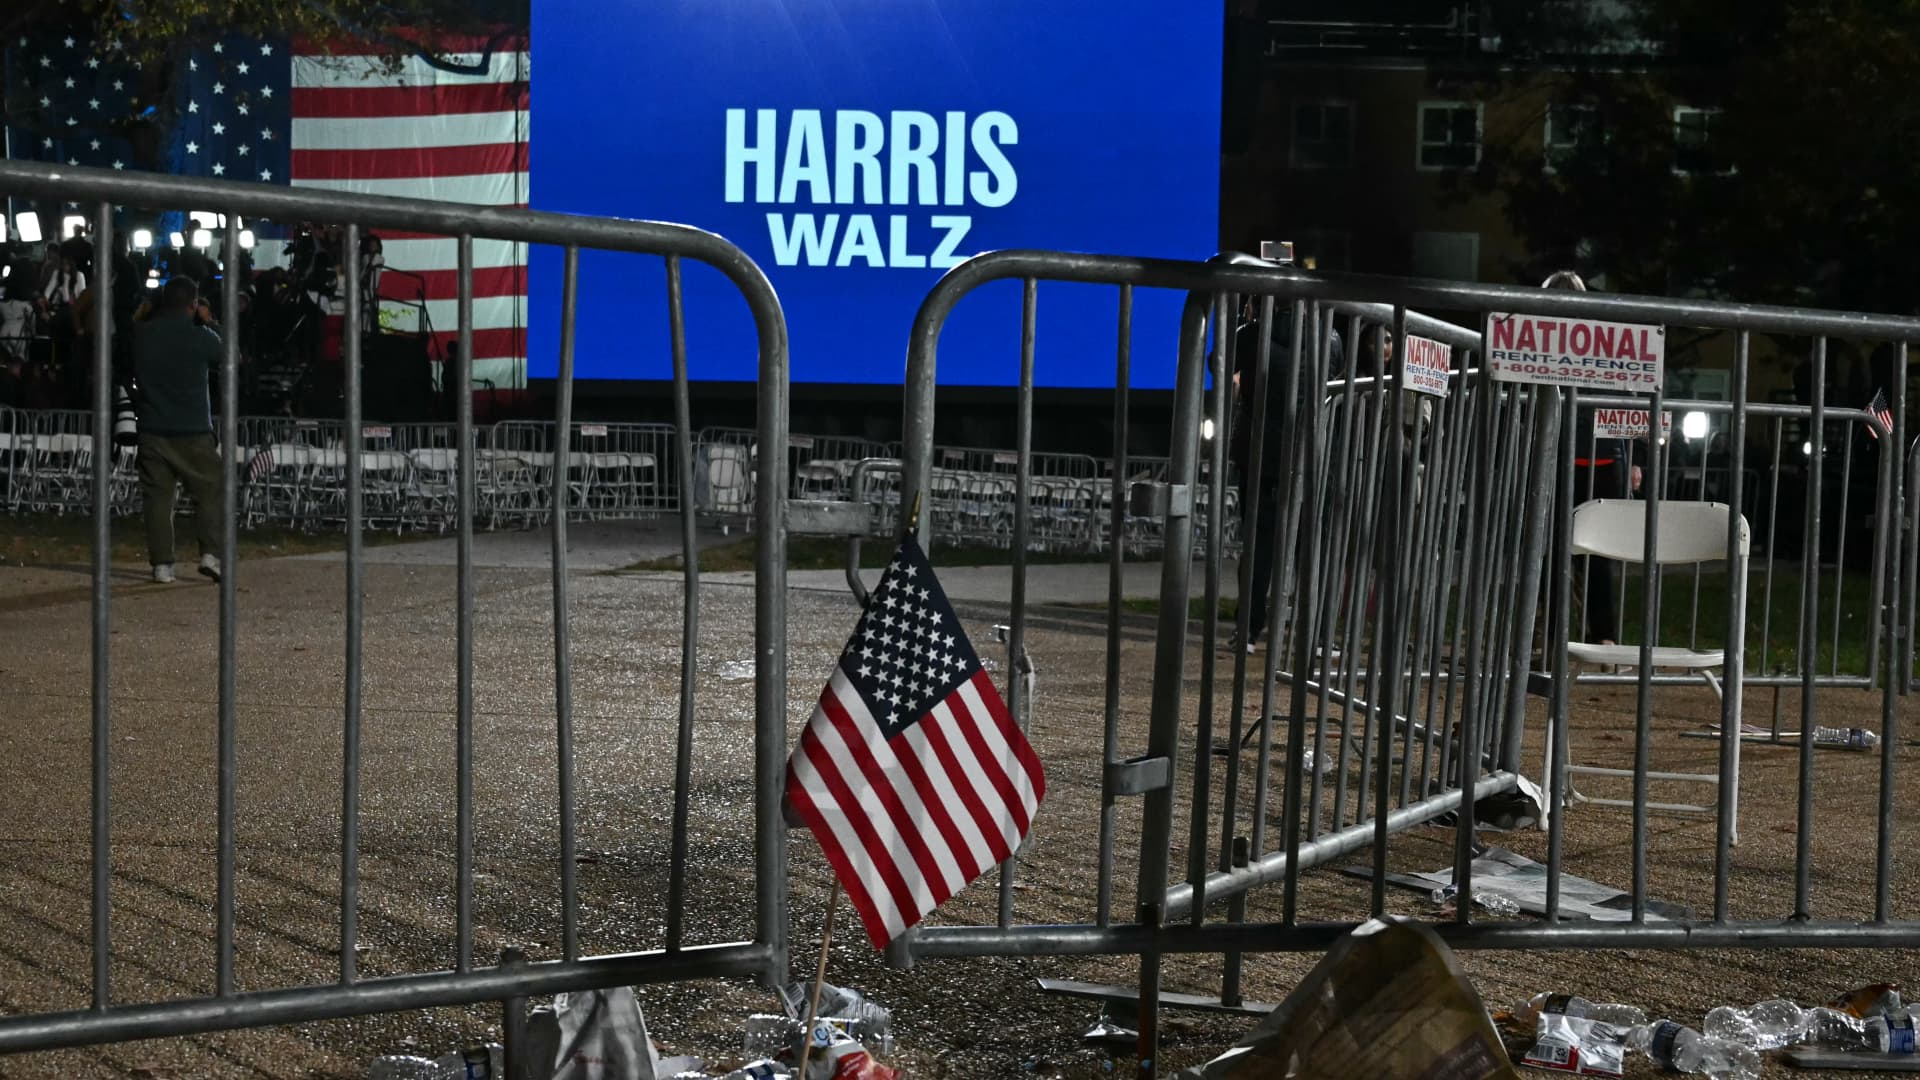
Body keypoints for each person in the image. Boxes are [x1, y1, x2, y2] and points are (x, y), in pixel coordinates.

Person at [1226, 300, 1342, 652]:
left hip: (1261, 452)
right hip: (1314, 453)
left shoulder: (1251, 335)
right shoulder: (1331, 338)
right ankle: (1318, 635)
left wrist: (1245, 321)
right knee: (1314, 546)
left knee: (1259, 544)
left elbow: (1220, 363)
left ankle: (1247, 630)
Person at [132, 277, 226, 584]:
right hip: (193, 429)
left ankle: (162, 564)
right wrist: (210, 322)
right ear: (193, 304)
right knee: (209, 490)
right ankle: (210, 554)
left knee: (158, 499)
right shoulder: (200, 336)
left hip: (152, 427)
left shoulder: (142, 334)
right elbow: (229, 353)